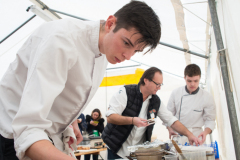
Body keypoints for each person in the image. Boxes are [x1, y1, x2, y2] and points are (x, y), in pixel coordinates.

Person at [0, 1, 161, 160]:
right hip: (13, 138)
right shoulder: (61, 40)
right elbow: (27, 128)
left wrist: (70, 122)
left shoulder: (106, 50)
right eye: (126, 43)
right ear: (110, 24)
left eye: (135, 51)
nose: (128, 56)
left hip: (47, 135)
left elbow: (61, 92)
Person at [102, 67, 202, 159]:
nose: (159, 87)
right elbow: (110, 117)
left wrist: (189, 135)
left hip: (137, 153)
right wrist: (132, 120)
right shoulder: (126, 92)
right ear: (146, 80)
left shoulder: (156, 101)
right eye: (157, 84)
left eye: (160, 84)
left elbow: (171, 120)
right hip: (116, 149)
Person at [166, 64, 216, 144]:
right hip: (178, 135)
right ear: (184, 78)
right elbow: (167, 116)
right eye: (189, 81)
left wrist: (205, 133)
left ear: (200, 78)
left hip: (197, 136)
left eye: (196, 81)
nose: (192, 84)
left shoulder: (207, 96)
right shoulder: (176, 93)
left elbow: (210, 120)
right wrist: (170, 129)